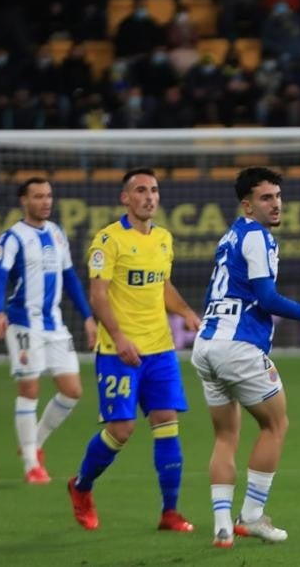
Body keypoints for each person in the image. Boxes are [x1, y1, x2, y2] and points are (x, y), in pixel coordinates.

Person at [192, 168, 300, 548]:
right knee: (276, 425)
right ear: (247, 205)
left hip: (206, 345)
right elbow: (267, 299)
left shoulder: (231, 236)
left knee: (226, 435)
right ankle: (252, 517)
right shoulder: (257, 237)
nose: (276, 204)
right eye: (266, 198)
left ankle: (223, 527)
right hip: (238, 348)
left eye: (278, 196)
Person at [68, 168, 202, 532]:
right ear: (125, 198)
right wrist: (120, 337)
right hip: (118, 351)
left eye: (154, 190)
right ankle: (81, 487)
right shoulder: (107, 240)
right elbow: (98, 295)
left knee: (167, 423)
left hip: (160, 350)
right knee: (122, 430)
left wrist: (186, 311)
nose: (149, 197)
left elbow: (162, 287)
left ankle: (169, 512)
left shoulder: (163, 238)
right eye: (141, 190)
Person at [0, 178, 95, 484]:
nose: (46, 201)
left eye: (49, 195)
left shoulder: (57, 233)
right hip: (23, 323)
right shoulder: (12, 238)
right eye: (38, 196)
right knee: (30, 390)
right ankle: (31, 465)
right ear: (24, 200)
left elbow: (70, 278)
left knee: (72, 390)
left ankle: (32, 445)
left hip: (55, 324)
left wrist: (87, 316)